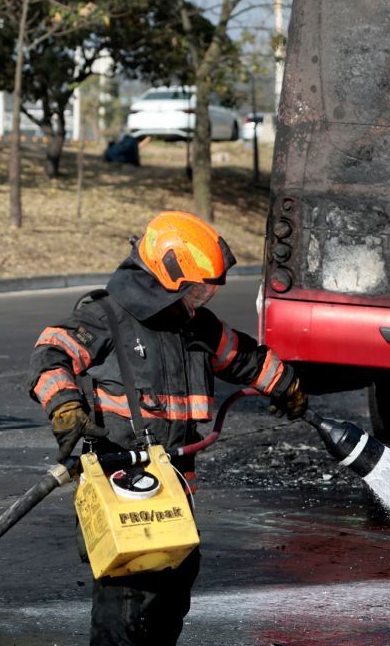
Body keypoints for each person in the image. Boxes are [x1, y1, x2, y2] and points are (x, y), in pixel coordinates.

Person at [24, 211, 307, 646]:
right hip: (122, 489)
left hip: (174, 493)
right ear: (163, 275)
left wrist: (285, 384)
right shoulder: (106, 316)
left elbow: (245, 358)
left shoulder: (196, 326)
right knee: (125, 611)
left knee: (170, 599)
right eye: (197, 287)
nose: (203, 297)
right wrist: (65, 406)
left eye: (208, 288)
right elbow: (51, 352)